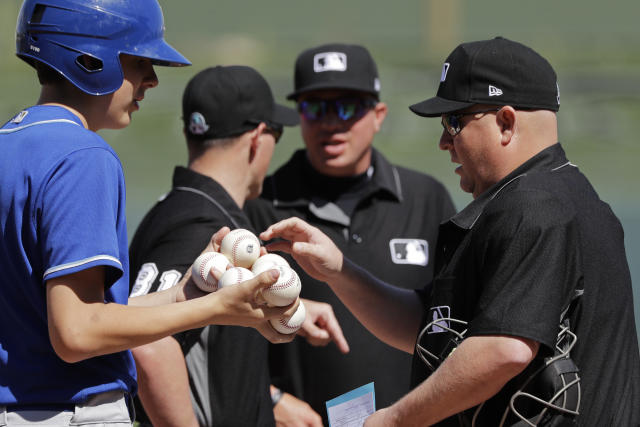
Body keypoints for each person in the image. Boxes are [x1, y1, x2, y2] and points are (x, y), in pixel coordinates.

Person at [259, 37, 640, 426]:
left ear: (506, 123)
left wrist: (394, 419)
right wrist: (338, 269)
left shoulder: (535, 206)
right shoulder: (562, 196)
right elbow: (432, 330)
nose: (444, 142)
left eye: (454, 122)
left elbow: (503, 349)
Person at [0, 2, 299, 426]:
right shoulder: (83, 156)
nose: (152, 81)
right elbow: (77, 332)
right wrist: (216, 310)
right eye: (139, 61)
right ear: (89, 58)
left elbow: (64, 314)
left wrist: (183, 295)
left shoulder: (9, 144)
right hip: (66, 410)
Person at [245, 43, 456, 422]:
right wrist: (271, 398)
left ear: (378, 115)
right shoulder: (263, 206)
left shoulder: (426, 199)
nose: (331, 122)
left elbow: (457, 325)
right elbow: (222, 333)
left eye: (347, 108)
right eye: (315, 108)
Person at [128, 66, 349, 427]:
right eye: (277, 132)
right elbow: (148, 345)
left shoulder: (174, 207)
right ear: (258, 137)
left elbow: (192, 318)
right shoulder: (203, 223)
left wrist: (271, 397)